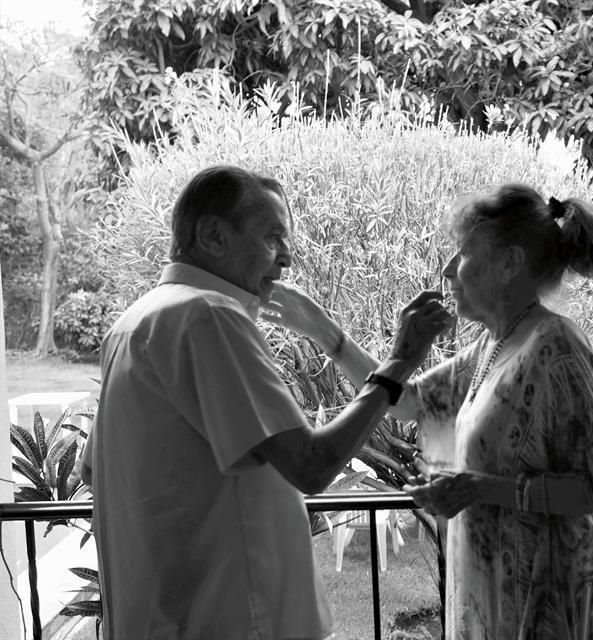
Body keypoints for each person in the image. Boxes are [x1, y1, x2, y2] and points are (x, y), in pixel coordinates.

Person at [79, 165, 451, 640]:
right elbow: (313, 466)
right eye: (273, 237)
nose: (288, 258)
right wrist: (399, 361)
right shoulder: (208, 315)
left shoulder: (134, 322)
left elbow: (95, 471)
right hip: (230, 621)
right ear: (213, 235)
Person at [265, 183, 593, 639]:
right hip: (490, 599)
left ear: (509, 264)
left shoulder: (556, 348)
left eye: (465, 253)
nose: (448, 269)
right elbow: (407, 402)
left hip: (539, 609)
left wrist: (479, 488)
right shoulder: (494, 344)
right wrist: (325, 331)